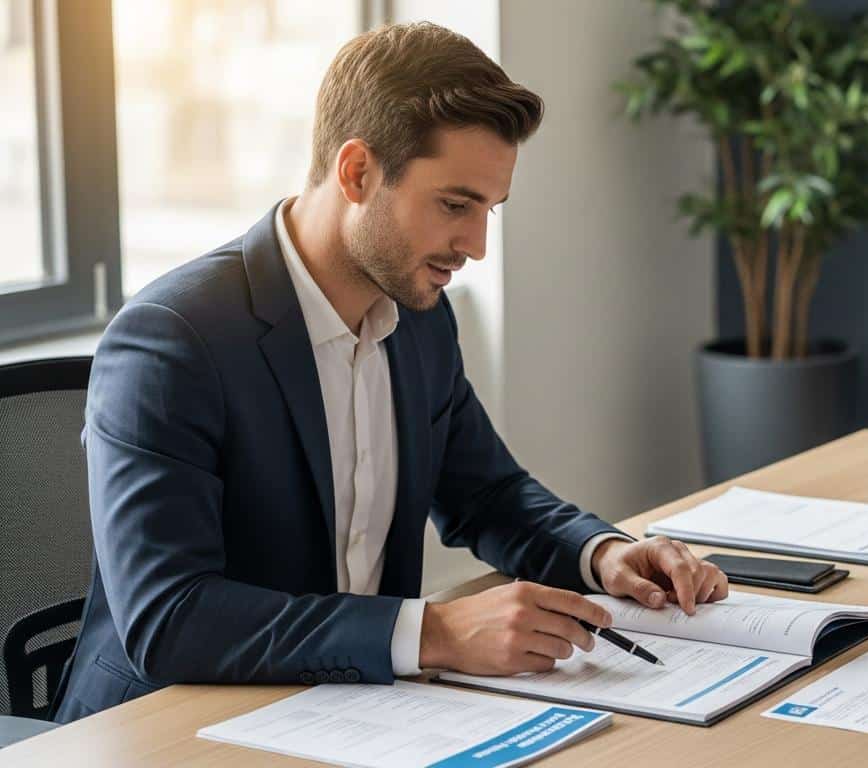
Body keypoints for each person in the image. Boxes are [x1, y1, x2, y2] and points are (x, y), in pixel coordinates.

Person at [52, 22, 727, 722]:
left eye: (488, 210)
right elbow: (170, 617)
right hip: (170, 726)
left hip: (350, 711)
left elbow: (488, 495)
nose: (476, 245)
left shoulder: (419, 316)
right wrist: (434, 632)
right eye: (455, 205)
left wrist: (603, 553)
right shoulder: (174, 339)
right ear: (356, 173)